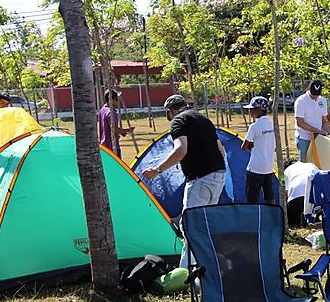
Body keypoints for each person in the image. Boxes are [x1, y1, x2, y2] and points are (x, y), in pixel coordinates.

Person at [142, 94, 227, 268]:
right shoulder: (203, 118)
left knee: (191, 225)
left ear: (171, 111)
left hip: (200, 178)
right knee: (205, 224)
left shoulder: (178, 121)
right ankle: (208, 265)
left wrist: (157, 170)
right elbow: (222, 151)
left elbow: (181, 150)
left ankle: (186, 272)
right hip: (219, 175)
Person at [241, 96, 276, 204]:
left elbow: (244, 146)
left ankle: (253, 218)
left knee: (252, 197)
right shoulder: (272, 124)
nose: (250, 111)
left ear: (260, 110)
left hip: (255, 167)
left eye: (252, 109)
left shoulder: (254, 126)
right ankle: (273, 217)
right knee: (269, 195)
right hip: (269, 167)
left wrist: (251, 145)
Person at [294, 80, 330, 162]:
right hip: (304, 137)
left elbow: (324, 120)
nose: (315, 97)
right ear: (308, 89)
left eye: (317, 95)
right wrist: (317, 130)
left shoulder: (322, 100)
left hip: (318, 137)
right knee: (304, 162)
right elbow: (300, 122)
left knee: (318, 161)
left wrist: (329, 130)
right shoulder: (301, 101)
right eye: (313, 95)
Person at [97, 90, 134, 157]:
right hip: (112, 147)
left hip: (104, 146)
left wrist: (122, 132)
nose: (118, 101)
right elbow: (114, 129)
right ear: (111, 100)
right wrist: (127, 130)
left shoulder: (102, 111)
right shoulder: (111, 113)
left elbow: (109, 128)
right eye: (116, 99)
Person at [283, 160, 318, 226]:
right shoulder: (312, 165)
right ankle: (309, 217)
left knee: (293, 219)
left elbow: (285, 193)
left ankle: (300, 218)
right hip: (313, 200)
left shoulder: (286, 171)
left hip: (296, 200)